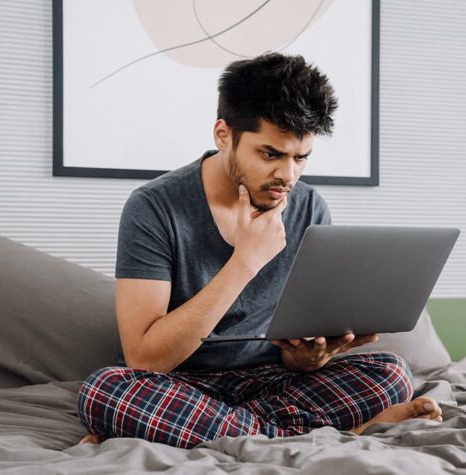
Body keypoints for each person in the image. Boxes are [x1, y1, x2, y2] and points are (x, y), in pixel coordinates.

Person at [77, 52, 442, 449]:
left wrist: (308, 359)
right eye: (270, 154)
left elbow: (297, 346)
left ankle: (251, 435)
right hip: (175, 384)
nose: (287, 175)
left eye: (300, 157)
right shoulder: (153, 207)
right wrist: (245, 261)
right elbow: (146, 358)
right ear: (223, 135)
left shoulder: (309, 206)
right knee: (105, 391)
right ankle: (339, 434)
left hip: (271, 383)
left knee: (391, 372)